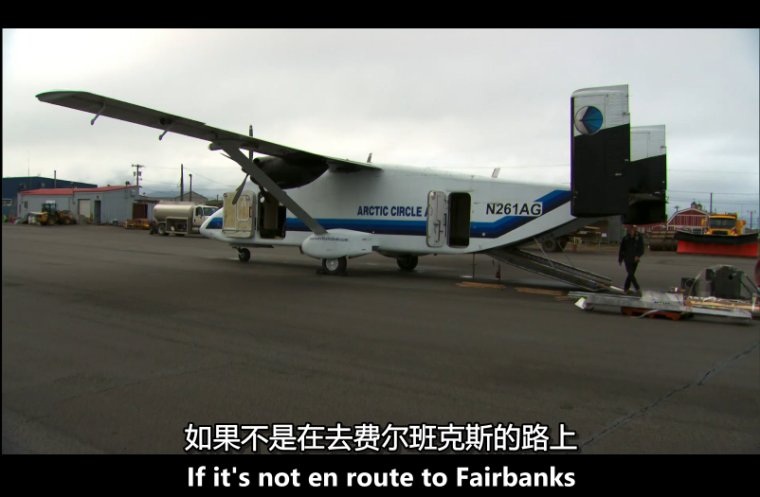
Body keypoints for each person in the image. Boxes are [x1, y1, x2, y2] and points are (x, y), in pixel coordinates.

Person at [619, 225, 645, 294]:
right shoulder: (625, 239)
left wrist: (638, 256)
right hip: (627, 259)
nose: (629, 231)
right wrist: (620, 259)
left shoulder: (638, 238)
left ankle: (626, 287)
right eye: (628, 230)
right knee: (631, 274)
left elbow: (641, 249)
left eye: (630, 229)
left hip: (635, 260)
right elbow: (622, 250)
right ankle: (637, 288)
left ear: (633, 229)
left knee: (631, 275)